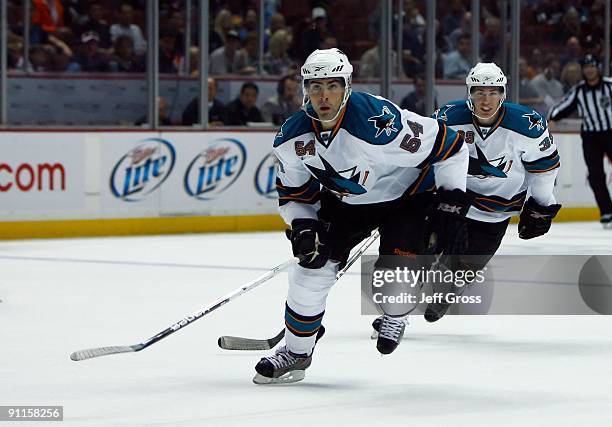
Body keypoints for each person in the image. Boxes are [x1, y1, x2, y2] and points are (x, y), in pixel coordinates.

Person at [253, 48, 470, 384]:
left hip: (407, 198)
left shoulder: (380, 123)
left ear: (347, 86)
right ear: (303, 89)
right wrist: (303, 226)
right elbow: (295, 196)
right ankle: (297, 352)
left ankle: (399, 308)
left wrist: (452, 201)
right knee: (309, 274)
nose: (324, 96)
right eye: (315, 87)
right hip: (345, 205)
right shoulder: (292, 139)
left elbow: (452, 146)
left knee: (393, 294)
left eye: (333, 86)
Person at [373, 62, 561, 330]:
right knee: (420, 253)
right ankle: (395, 315)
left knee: (463, 269)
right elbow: (424, 156)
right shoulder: (448, 118)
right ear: (469, 93)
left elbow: (545, 166)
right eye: (479, 92)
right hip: (455, 203)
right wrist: (401, 192)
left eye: (493, 92)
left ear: (503, 94)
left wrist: (542, 204)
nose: (486, 100)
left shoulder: (527, 125)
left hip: (496, 211)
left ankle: (449, 288)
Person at [549, 55, 612, 228]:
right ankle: (607, 211)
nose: (590, 70)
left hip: (611, 133)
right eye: (586, 67)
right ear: (583, 70)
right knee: (595, 175)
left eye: (592, 66)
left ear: (598, 68)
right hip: (591, 137)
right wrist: (552, 117)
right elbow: (564, 105)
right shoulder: (579, 90)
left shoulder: (609, 85)